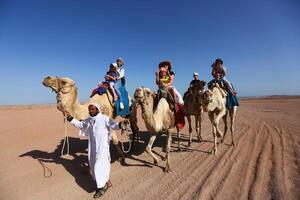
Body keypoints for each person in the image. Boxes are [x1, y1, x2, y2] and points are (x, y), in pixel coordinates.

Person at [65, 103, 128, 198]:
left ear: (97, 109)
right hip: (92, 147)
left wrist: (121, 124)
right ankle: (106, 181)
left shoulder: (105, 119)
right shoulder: (89, 120)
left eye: (92, 109)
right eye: (89, 109)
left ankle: (101, 187)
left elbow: (114, 125)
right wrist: (69, 118)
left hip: (102, 147)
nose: (90, 111)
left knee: (98, 167)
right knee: (93, 165)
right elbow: (80, 125)